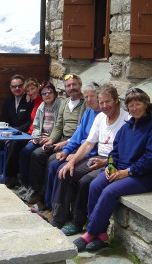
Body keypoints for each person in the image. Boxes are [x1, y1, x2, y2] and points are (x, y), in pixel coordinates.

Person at [73, 88, 152, 252]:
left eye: (138, 104)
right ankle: (101, 234)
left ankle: (89, 233)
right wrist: (110, 166)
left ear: (145, 105)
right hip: (119, 170)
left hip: (142, 176)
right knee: (94, 185)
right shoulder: (126, 127)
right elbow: (114, 152)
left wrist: (127, 172)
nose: (134, 108)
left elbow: (150, 159)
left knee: (109, 192)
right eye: (131, 105)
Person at [49, 84, 129, 231]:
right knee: (65, 171)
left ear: (116, 100)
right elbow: (88, 143)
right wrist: (72, 162)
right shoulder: (100, 117)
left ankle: (77, 223)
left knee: (86, 181)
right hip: (98, 157)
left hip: (113, 161)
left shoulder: (126, 120)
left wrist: (105, 162)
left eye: (108, 102)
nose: (104, 106)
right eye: (101, 102)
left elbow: (126, 152)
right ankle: (57, 219)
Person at [28, 73, 87, 205]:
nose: (71, 88)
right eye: (68, 86)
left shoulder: (85, 104)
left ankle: (47, 199)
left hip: (76, 142)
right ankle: (37, 192)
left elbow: (83, 132)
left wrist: (64, 143)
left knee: (51, 160)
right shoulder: (65, 103)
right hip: (61, 139)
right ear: (65, 89)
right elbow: (58, 126)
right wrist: (50, 141)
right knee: (36, 155)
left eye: (74, 84)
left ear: (80, 85)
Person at [43, 82, 101, 212]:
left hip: (90, 153)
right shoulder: (88, 112)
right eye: (86, 97)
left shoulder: (102, 115)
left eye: (92, 96)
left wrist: (76, 155)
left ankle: (58, 211)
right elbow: (77, 135)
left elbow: (93, 143)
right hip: (79, 148)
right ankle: (48, 204)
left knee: (62, 170)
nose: (89, 100)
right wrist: (66, 150)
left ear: (99, 96)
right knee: (53, 162)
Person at [18, 81, 61, 194]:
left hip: (52, 139)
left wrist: (50, 139)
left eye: (49, 92)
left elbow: (59, 127)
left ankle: (34, 188)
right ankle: (25, 184)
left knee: (35, 155)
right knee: (24, 151)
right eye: (44, 93)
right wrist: (36, 136)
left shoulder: (60, 105)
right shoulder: (42, 106)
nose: (47, 95)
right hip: (40, 138)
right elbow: (36, 125)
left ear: (54, 93)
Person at [5, 77, 42, 188]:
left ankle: (8, 175)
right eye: (28, 91)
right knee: (11, 142)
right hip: (29, 133)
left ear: (38, 87)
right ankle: (12, 177)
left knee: (17, 145)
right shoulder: (33, 101)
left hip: (33, 135)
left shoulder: (42, 102)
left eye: (32, 89)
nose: (30, 92)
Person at [0, 75, 33, 186]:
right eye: (14, 86)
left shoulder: (29, 100)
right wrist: (4, 133)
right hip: (9, 133)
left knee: (13, 143)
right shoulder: (8, 101)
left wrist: (14, 131)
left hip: (23, 133)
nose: (17, 88)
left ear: (24, 86)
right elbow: (3, 119)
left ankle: (7, 175)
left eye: (19, 86)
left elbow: (29, 122)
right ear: (10, 88)